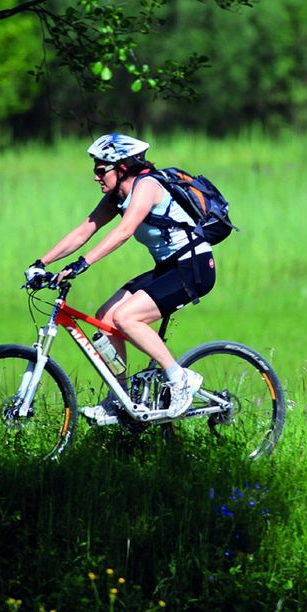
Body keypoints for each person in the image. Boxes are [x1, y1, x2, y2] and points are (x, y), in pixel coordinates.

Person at [23, 133, 213, 423]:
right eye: (95, 170)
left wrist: (82, 264)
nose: (96, 176)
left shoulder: (148, 186)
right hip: (168, 267)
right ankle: (119, 398)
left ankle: (180, 379)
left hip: (193, 267)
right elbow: (85, 229)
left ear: (122, 167)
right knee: (106, 318)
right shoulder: (117, 196)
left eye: (102, 170)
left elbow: (124, 231)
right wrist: (41, 262)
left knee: (126, 317)